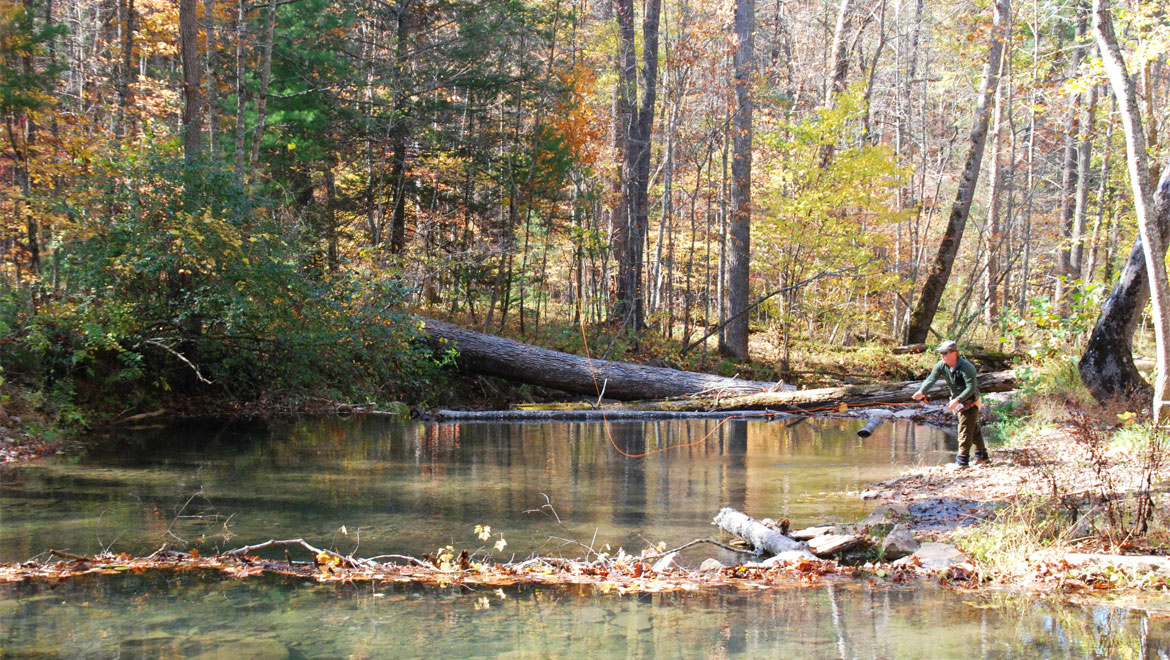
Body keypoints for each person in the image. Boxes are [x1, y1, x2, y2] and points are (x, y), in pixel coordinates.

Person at [911, 340, 988, 467]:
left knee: (964, 430)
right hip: (957, 400)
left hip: (971, 401)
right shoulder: (942, 365)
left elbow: (971, 388)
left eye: (944, 353)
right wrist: (922, 391)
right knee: (972, 428)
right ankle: (982, 456)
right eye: (941, 353)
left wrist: (957, 401)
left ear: (954, 353)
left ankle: (962, 462)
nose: (942, 355)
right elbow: (931, 378)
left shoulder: (967, 367)